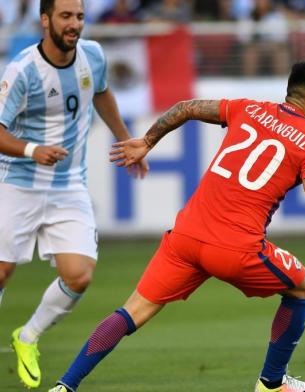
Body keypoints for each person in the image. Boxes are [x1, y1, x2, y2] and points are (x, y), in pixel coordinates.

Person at [49, 62, 305, 392]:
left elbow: (186, 108)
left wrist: (147, 141)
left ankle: (66, 385)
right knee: (304, 286)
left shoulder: (248, 109)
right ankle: (272, 383)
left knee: (132, 311)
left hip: (185, 238)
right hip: (235, 248)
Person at [0, 0, 148, 389]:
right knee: (1, 271)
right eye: (66, 16)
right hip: (17, 183)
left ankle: (27, 337)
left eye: (79, 17)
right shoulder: (22, 70)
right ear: (45, 20)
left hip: (68, 185)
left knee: (79, 276)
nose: (74, 25)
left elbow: (101, 93)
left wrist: (125, 139)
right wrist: (33, 150)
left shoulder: (93, 56)